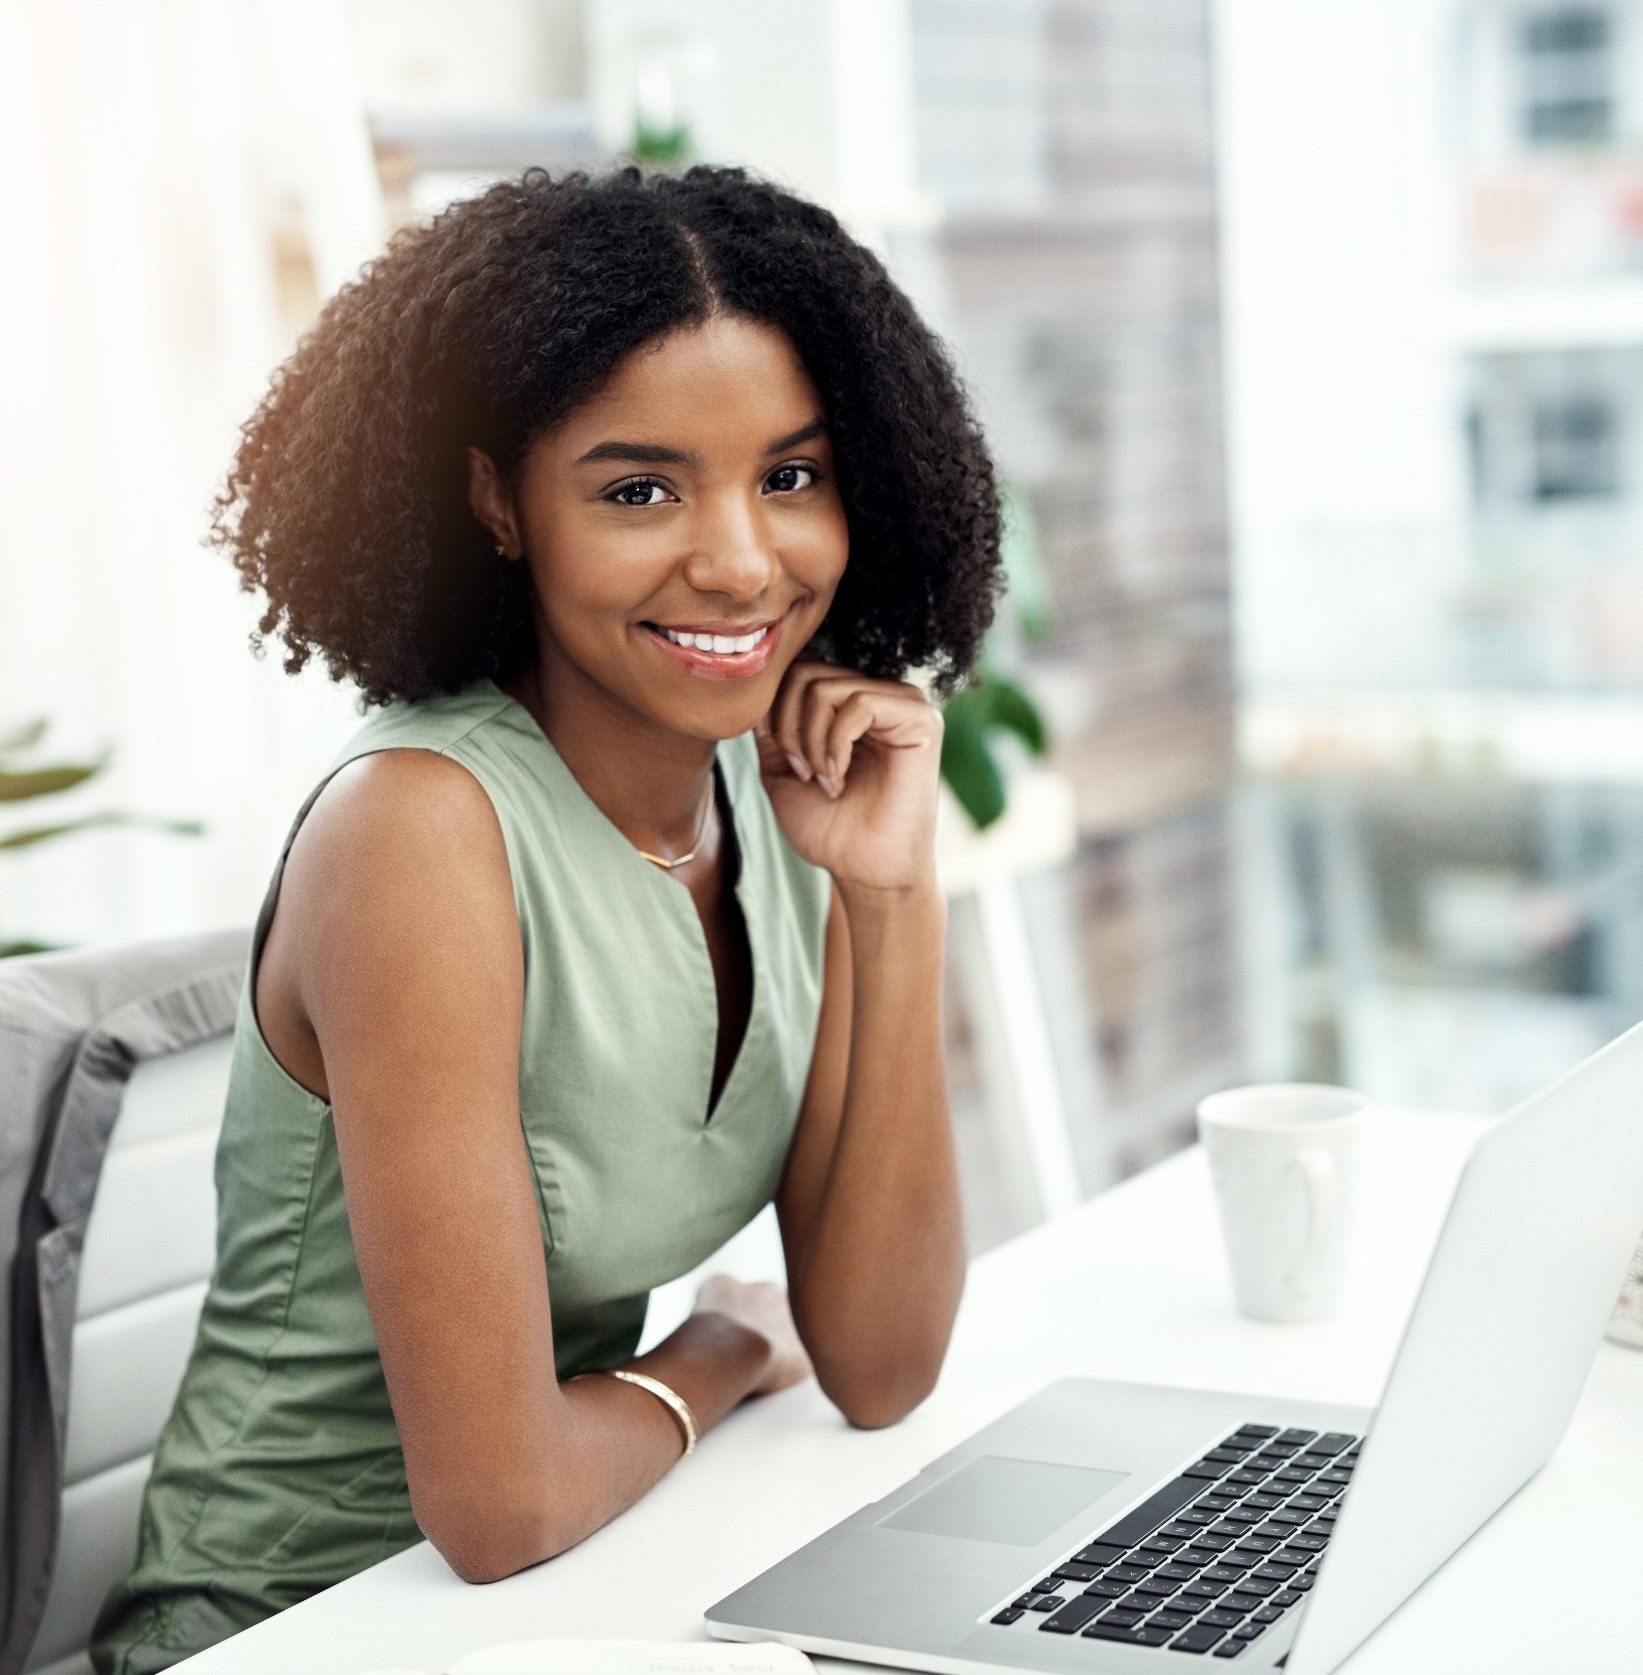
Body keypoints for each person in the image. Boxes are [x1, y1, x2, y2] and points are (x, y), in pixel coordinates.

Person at [92, 164, 1003, 1671]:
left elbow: (882, 1362)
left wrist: (891, 897)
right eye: (640, 489)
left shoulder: (774, 795)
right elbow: (500, 1504)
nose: (738, 558)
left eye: (790, 476)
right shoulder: (421, 833)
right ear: (496, 501)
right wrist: (711, 1354)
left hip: (591, 1591)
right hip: (306, 1629)